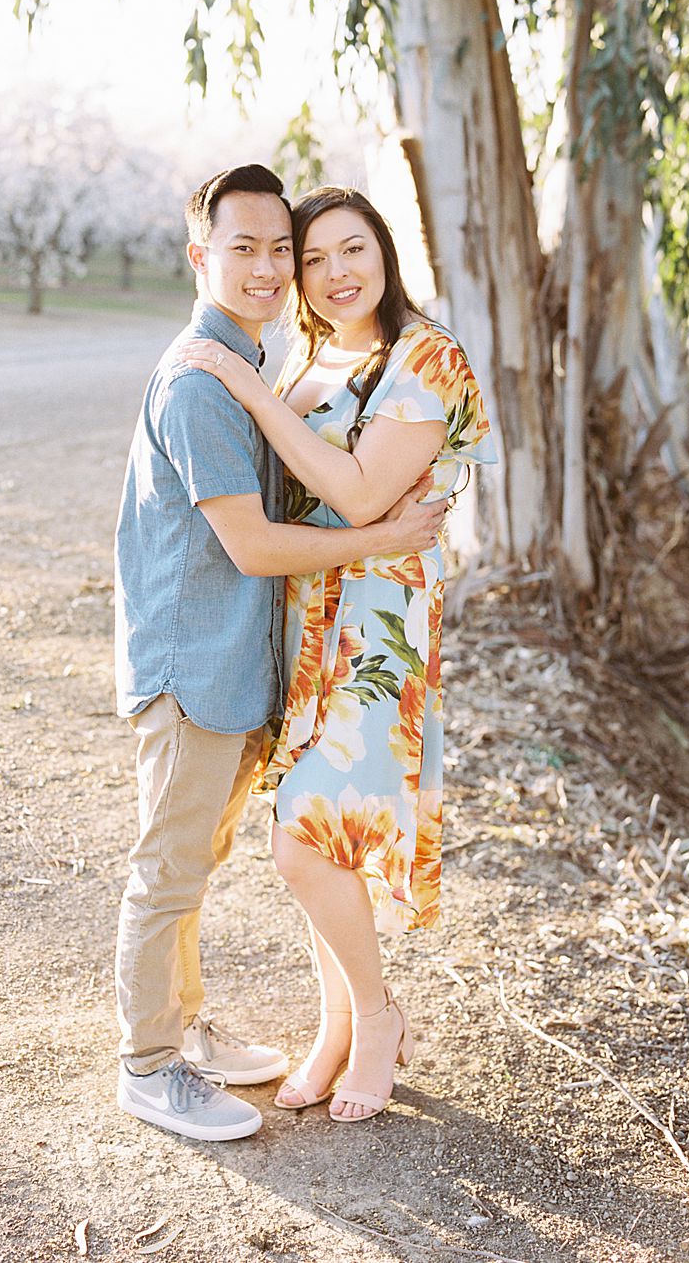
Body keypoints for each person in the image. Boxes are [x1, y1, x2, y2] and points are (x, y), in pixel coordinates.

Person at [113, 163, 446, 1141]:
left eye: (277, 249)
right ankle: (147, 1062)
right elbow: (253, 544)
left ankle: (179, 1027)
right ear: (199, 255)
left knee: (196, 859)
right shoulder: (203, 385)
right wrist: (380, 537)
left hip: (234, 668)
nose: (266, 268)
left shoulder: (249, 365)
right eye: (244, 247)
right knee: (168, 868)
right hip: (193, 671)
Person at [177, 184, 495, 1124]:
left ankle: (379, 1015)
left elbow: (359, 498)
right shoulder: (312, 355)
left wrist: (245, 387)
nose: (332, 273)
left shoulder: (427, 357)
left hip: (377, 629)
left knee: (298, 845)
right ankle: (334, 1031)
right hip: (303, 620)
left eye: (351, 250)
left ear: (386, 254)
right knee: (324, 843)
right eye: (313, 260)